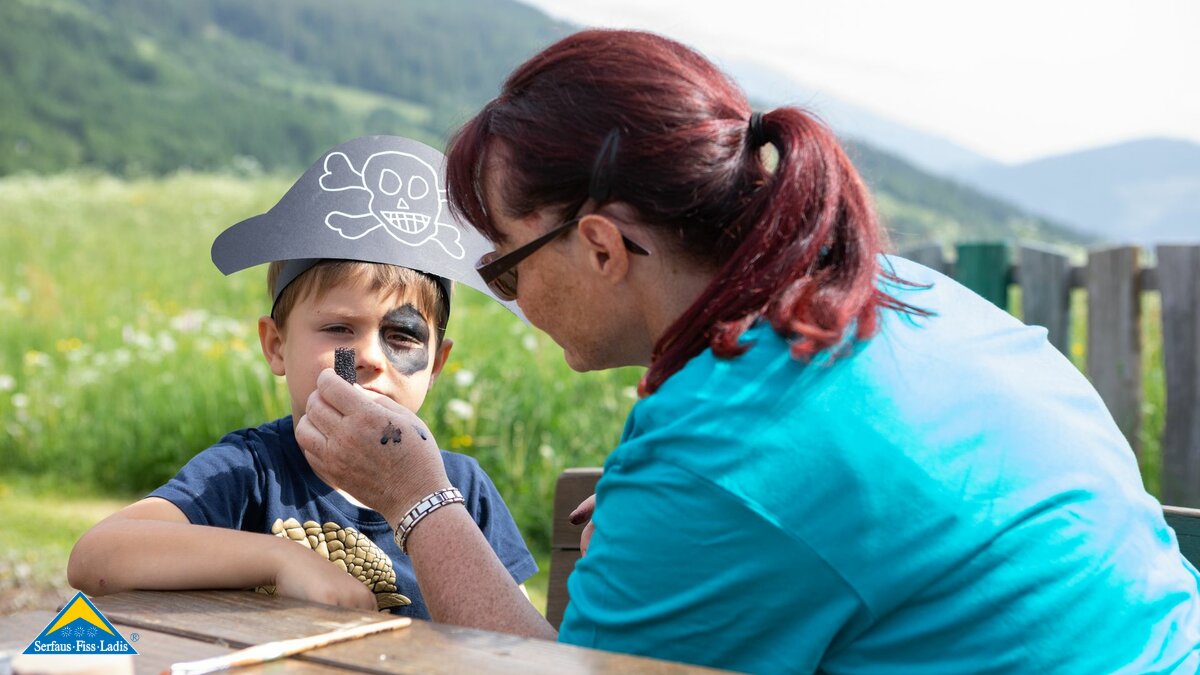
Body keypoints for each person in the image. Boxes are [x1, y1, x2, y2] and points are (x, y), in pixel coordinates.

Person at [292, 31, 1200, 673]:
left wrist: (419, 496)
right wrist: (678, 522)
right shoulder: (904, 291)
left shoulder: (724, 453)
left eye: (504, 265)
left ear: (603, 246)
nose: (511, 297)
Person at [68, 136, 537, 620]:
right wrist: (280, 559)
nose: (368, 357)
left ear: (436, 365)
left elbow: (512, 644)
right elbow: (96, 557)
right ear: (276, 346)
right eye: (339, 329)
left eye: (402, 336)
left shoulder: (463, 491)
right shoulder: (249, 472)